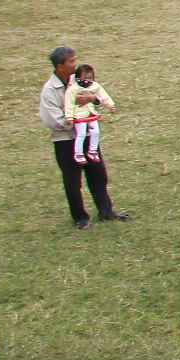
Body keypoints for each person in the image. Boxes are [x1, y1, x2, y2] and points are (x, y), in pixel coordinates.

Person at [39, 46, 125, 229]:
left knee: (98, 175)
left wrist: (92, 99)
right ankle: (80, 217)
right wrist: (79, 121)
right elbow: (53, 119)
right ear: (60, 66)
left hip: (86, 135)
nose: (75, 64)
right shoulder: (49, 90)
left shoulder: (79, 81)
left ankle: (106, 211)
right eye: (71, 61)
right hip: (65, 140)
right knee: (72, 180)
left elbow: (98, 95)